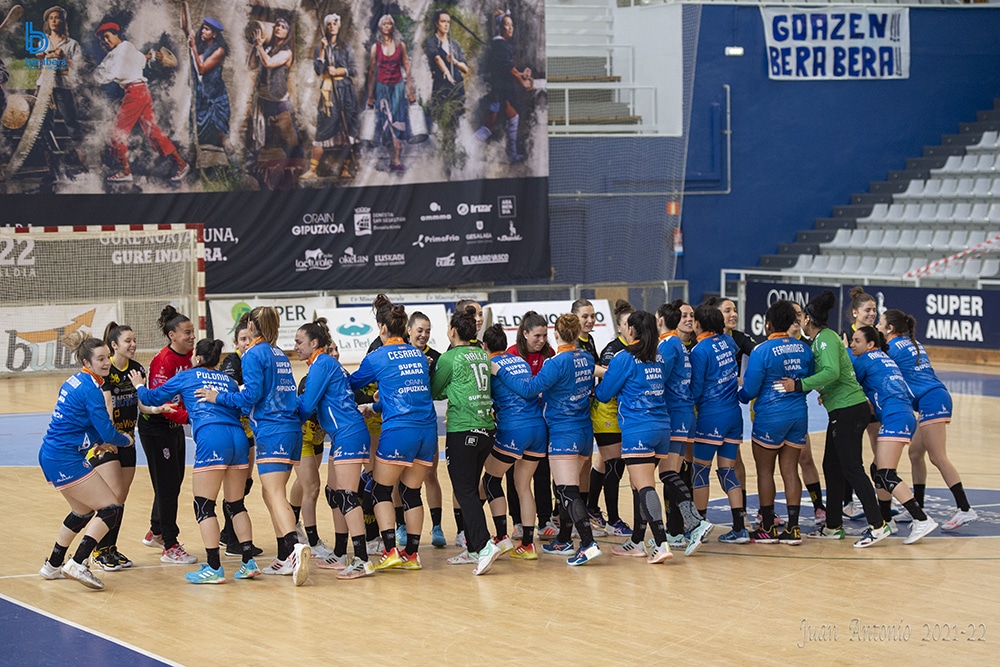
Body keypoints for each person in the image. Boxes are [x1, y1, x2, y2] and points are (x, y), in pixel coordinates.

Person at [195, 306, 310, 585]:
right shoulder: (279, 353)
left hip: (272, 430)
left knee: (275, 493)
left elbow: (251, 396)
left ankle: (294, 548)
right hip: (291, 428)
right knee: (271, 494)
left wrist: (218, 397)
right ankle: (283, 556)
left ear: (251, 325)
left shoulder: (253, 354)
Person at [131, 339, 260, 583]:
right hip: (239, 438)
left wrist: (138, 385)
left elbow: (152, 397)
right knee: (236, 504)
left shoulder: (188, 376)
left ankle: (214, 567)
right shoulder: (229, 381)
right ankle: (247, 561)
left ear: (198, 358)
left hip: (213, 437)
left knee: (204, 505)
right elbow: (242, 407)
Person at [778, 290, 891, 548]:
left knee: (852, 468)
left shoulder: (826, 339)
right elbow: (831, 375)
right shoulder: (820, 340)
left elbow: (831, 371)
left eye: (802, 316)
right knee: (831, 466)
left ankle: (878, 524)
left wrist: (800, 385)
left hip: (849, 409)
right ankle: (833, 526)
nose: (800, 320)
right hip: (841, 409)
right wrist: (825, 391)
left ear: (808, 319)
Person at [494, 313, 602, 566]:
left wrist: (499, 371)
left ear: (556, 334)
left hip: (564, 432)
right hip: (585, 432)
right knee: (566, 488)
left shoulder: (555, 362)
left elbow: (529, 389)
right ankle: (564, 539)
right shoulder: (586, 357)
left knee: (566, 489)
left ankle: (588, 544)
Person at [38, 333, 132, 590]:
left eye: (107, 357)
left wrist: (97, 440)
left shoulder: (75, 381)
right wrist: (124, 440)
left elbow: (80, 423)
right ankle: (78, 563)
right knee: (111, 508)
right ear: (86, 362)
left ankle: (53, 565)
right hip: (64, 457)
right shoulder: (91, 389)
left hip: (53, 454)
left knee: (82, 512)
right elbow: (107, 431)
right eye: (100, 359)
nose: (106, 362)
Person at [347, 304, 437, 571]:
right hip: (427, 431)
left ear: (382, 328)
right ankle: (412, 554)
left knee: (380, 489)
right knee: (411, 492)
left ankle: (390, 550)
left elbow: (350, 385)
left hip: (399, 430)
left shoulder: (377, 356)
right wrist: (377, 404)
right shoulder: (419, 355)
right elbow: (409, 393)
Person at [594, 310, 682, 564]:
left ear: (631, 330)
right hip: (662, 427)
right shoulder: (659, 356)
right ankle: (636, 541)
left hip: (638, 428)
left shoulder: (624, 357)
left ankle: (660, 543)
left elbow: (604, 394)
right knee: (637, 484)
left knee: (644, 486)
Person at [880, 309, 978, 531]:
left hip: (932, 400)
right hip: (933, 397)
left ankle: (964, 508)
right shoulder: (913, 343)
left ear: (890, 328)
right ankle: (919, 505)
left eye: (880, 322)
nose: (877, 326)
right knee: (915, 453)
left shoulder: (892, 347)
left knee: (938, 457)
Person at [294, 319, 374, 580]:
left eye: (299, 342)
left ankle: (361, 559)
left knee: (348, 496)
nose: (296, 346)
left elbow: (307, 405)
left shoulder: (322, 364)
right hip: (343, 435)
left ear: (314, 343)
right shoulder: (323, 364)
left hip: (349, 433)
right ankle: (340, 553)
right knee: (335, 493)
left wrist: (281, 415)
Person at [848, 326, 939, 544]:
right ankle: (887, 519)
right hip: (903, 414)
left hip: (895, 416)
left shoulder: (863, 360)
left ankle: (921, 519)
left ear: (870, 344)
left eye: (857, 341)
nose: (852, 344)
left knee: (886, 474)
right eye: (851, 340)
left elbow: (846, 384)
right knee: (877, 470)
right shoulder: (883, 357)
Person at [87, 322, 162, 571]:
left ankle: (110, 547)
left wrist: (157, 409)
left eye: (134, 340)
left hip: (128, 440)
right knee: (110, 497)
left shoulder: (137, 369)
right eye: (128, 340)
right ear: (114, 345)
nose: (133, 344)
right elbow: (107, 408)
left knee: (120, 498)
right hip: (108, 442)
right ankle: (97, 550)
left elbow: (142, 405)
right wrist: (109, 438)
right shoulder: (106, 371)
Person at [433, 307, 502, 575]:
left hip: (463, 429)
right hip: (487, 428)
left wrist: (447, 386)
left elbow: (435, 390)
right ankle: (473, 548)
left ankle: (484, 545)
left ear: (452, 331)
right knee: (471, 488)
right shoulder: (482, 354)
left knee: (464, 491)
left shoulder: (449, 358)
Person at [737, 301, 813, 546]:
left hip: (770, 416)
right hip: (798, 414)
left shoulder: (762, 350)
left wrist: (738, 396)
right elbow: (809, 380)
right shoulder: (804, 349)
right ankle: (793, 528)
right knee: (790, 470)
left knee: (765, 471)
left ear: (767, 324)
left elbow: (750, 389)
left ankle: (767, 527)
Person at [646, 299, 713, 556]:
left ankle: (695, 523)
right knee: (671, 474)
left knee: (667, 474)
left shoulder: (668, 345)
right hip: (684, 412)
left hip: (674, 414)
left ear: (660, 320)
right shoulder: (679, 345)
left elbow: (657, 379)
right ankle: (678, 530)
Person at [480, 324, 547, 560]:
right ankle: (528, 544)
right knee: (523, 485)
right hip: (538, 428)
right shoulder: (521, 361)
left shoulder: (489, 366)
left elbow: (483, 398)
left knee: (490, 480)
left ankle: (501, 537)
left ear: (485, 346)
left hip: (514, 428)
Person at [138, 305, 197, 565]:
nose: (192, 336)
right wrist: (190, 418)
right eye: (187, 332)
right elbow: (160, 403)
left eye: (193, 332)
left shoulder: (189, 356)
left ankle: (157, 530)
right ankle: (170, 545)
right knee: (167, 485)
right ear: (172, 335)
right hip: (156, 426)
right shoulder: (164, 361)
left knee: (173, 481)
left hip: (174, 426)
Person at [94, 22, 189, 183]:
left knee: (118, 133)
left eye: (107, 37)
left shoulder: (116, 54)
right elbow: (140, 59)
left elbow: (102, 76)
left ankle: (125, 171)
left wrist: (93, 71)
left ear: (116, 35)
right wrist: (154, 56)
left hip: (135, 94)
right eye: (102, 40)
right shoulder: (128, 46)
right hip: (143, 92)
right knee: (153, 132)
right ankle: (181, 163)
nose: (105, 41)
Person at [688, 303, 748, 544]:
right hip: (733, 414)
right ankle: (740, 528)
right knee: (727, 471)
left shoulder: (699, 351)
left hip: (711, 416)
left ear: (697, 324)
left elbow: (696, 389)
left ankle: (699, 526)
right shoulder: (728, 341)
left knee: (700, 470)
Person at [504, 311, 555, 540]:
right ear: (524, 334)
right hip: (516, 423)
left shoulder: (549, 354)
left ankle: (544, 521)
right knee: (514, 475)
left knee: (542, 472)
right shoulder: (512, 354)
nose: (541, 340)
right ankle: (517, 522)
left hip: (541, 423)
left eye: (544, 335)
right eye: (537, 336)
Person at [590, 299, 633, 538]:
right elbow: (610, 382)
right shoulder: (612, 350)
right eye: (627, 324)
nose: (632, 328)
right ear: (619, 327)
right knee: (615, 465)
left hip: (623, 414)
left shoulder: (637, 348)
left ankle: (591, 509)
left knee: (604, 464)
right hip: (606, 413)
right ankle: (614, 520)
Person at [217, 318, 261, 557]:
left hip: (248, 430)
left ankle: (227, 532)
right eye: (242, 339)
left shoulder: (255, 358)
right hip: (235, 429)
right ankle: (234, 541)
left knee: (246, 483)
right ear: (235, 343)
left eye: (250, 339)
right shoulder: (232, 362)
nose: (246, 343)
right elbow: (231, 388)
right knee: (236, 487)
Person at [301, 14, 358, 180]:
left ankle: (345, 169)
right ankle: (313, 170)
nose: (332, 26)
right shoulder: (320, 48)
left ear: (338, 26)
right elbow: (318, 70)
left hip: (346, 92)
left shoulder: (346, 48)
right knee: (324, 127)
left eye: (335, 23)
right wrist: (322, 49)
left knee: (347, 129)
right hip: (329, 92)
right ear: (326, 27)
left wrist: (339, 71)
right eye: (329, 24)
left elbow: (353, 70)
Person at [406, 312, 446, 547]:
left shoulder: (436, 358)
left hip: (426, 423)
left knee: (431, 475)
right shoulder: (399, 354)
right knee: (401, 476)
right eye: (419, 330)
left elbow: (438, 391)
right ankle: (401, 526)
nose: (423, 335)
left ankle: (437, 527)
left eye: (427, 331)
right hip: (402, 424)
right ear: (409, 330)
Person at [474, 10, 533, 163]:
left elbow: (507, 68)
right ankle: (464, 150)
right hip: (495, 93)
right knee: (487, 129)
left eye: (512, 25)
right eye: (507, 25)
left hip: (501, 93)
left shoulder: (501, 45)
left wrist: (522, 74)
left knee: (513, 118)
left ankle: (512, 155)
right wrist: (522, 81)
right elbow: (509, 68)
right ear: (500, 28)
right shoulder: (499, 45)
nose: (511, 28)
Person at [789, 301, 827, 524]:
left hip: (797, 411)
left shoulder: (809, 346)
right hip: (770, 412)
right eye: (792, 313)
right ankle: (766, 512)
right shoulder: (771, 343)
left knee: (805, 458)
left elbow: (820, 374)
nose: (797, 317)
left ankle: (818, 507)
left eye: (799, 313)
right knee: (773, 463)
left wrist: (824, 391)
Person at [366, 14, 415, 173]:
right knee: (385, 123)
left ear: (393, 26)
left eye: (389, 23)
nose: (387, 26)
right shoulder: (375, 47)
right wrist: (370, 95)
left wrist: (411, 91)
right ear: (380, 27)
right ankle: (391, 158)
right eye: (384, 24)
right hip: (382, 87)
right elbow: (372, 72)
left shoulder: (401, 45)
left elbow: (407, 68)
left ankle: (397, 160)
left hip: (397, 87)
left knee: (397, 122)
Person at [249, 18, 301, 167]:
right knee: (258, 133)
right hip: (263, 98)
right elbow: (251, 65)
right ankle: (254, 166)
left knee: (289, 138)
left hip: (278, 100)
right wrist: (255, 45)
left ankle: (297, 167)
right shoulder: (267, 49)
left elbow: (269, 63)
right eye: (277, 25)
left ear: (287, 34)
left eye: (283, 27)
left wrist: (259, 46)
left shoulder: (287, 52)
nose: (278, 28)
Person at [38, 6, 84, 166]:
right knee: (44, 125)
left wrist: (63, 57)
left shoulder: (72, 44)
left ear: (63, 21)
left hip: (63, 87)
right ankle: (52, 165)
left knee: (71, 122)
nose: (53, 21)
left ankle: (83, 162)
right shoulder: (42, 41)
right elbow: (40, 67)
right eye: (51, 18)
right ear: (47, 22)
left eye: (57, 17)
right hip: (44, 87)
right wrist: (41, 59)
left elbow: (79, 66)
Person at [189, 17, 235, 166]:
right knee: (194, 134)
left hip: (216, 99)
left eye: (207, 29)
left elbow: (202, 69)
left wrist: (193, 47)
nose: (203, 31)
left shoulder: (219, 50)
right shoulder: (200, 48)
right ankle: (193, 168)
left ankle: (235, 169)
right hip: (200, 98)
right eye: (203, 28)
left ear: (214, 34)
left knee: (222, 135)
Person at [424, 8, 468, 165]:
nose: (446, 25)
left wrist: (454, 62)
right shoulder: (431, 42)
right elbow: (437, 58)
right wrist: (447, 72)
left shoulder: (454, 44)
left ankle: (452, 154)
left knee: (455, 123)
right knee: (443, 121)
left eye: (448, 22)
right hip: (442, 86)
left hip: (457, 87)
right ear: (437, 23)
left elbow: (465, 68)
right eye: (443, 21)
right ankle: (443, 156)